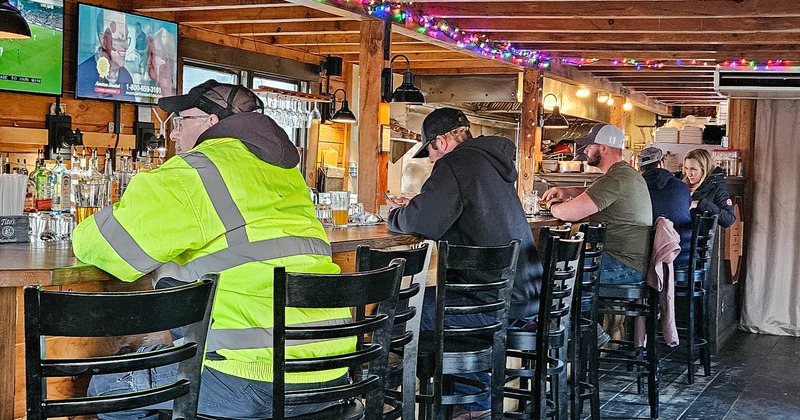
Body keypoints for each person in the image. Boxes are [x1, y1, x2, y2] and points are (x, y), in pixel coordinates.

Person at [73, 80, 351, 419]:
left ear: (212, 122)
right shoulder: (285, 172)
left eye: (180, 121)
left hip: (251, 379)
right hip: (331, 374)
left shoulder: (195, 170)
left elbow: (106, 246)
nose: (173, 135)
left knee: (108, 387)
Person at [387, 107, 543, 419]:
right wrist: (419, 206)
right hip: (525, 296)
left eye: (430, 150)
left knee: (398, 313)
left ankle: (466, 404)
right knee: (438, 309)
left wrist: (394, 216)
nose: (431, 159)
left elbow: (424, 222)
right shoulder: (489, 163)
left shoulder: (455, 162)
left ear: (441, 142)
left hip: (493, 303)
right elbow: (450, 213)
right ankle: (465, 399)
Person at [541, 124, 652, 285]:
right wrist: (568, 191)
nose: (585, 150)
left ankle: (581, 310)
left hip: (624, 265)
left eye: (590, 145)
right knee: (558, 266)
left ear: (604, 148)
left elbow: (568, 214)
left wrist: (550, 206)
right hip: (629, 261)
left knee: (555, 270)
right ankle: (580, 309)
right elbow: (597, 193)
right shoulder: (624, 173)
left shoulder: (615, 178)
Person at [638, 147, 693, 265]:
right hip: (683, 254)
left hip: (649, 259)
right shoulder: (682, 187)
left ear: (640, 168)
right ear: (661, 163)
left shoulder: (636, 188)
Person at [76, 9, 134, 102]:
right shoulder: (81, 74)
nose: (126, 46)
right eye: (119, 39)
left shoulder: (127, 77)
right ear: (103, 40)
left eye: (126, 39)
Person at [682, 148, 735, 228]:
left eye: (693, 169)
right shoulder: (679, 183)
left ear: (704, 169)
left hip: (698, 237)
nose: (689, 173)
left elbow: (729, 219)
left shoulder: (716, 187)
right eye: (686, 168)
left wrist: (701, 204)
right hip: (675, 234)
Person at [146, 27, 177, 98]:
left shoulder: (178, 96)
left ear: (167, 59)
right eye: (148, 55)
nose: (148, 63)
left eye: (153, 55)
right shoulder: (146, 97)